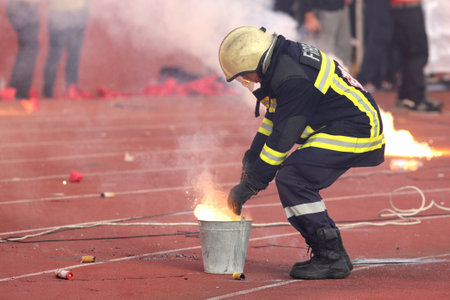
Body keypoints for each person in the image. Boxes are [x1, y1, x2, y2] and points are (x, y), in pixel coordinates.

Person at [219, 26, 385, 279]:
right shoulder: (280, 61)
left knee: (293, 177)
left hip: (357, 128)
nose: (249, 82)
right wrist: (253, 156)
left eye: (246, 76)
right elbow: (275, 118)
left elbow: (284, 138)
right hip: (341, 123)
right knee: (293, 175)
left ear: (255, 61)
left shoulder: (292, 78)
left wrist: (253, 183)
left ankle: (331, 256)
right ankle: (331, 253)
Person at [391, 0, 442, 112]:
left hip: (400, 8)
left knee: (408, 53)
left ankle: (406, 96)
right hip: (409, 7)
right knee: (417, 53)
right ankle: (417, 98)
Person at [43, 0, 89, 98]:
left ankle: (49, 91)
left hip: (59, 11)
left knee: (57, 54)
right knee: (70, 55)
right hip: (75, 11)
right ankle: (69, 90)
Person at [294, 0, 353, 68]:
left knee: (344, 50)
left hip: (341, 7)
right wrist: (308, 13)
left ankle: (344, 77)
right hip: (322, 9)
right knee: (324, 55)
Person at [6, 0, 40, 100]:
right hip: (24, 6)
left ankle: (16, 90)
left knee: (28, 49)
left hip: (22, 7)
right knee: (29, 49)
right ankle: (18, 91)